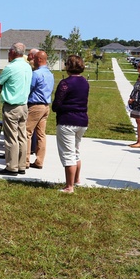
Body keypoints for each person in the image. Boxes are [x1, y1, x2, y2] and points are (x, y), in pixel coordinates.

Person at [52, 55, 90, 193]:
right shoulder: (85, 82)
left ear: (69, 66)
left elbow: (57, 103)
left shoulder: (65, 83)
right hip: (82, 120)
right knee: (76, 151)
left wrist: (57, 108)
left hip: (67, 121)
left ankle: (69, 186)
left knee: (68, 154)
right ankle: (76, 179)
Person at [0, 42, 30, 176]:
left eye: (9, 52)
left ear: (14, 52)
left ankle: (11, 166)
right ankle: (21, 165)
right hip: (24, 105)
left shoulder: (11, 67)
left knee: (11, 138)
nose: (8, 54)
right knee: (22, 136)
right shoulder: (27, 67)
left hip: (12, 105)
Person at [25, 51, 54, 169]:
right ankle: (39, 161)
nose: (32, 61)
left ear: (39, 60)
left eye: (34, 59)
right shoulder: (50, 74)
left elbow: (29, 88)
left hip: (35, 105)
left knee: (26, 132)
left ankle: (25, 161)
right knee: (41, 134)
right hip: (46, 105)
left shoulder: (36, 74)